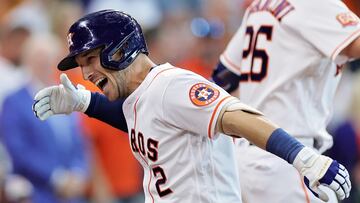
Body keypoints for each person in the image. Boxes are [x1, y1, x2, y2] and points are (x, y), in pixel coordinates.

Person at [32, 10, 350, 203]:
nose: (86, 73)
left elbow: (235, 116)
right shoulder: (141, 96)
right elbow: (145, 123)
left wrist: (302, 157)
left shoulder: (172, 84)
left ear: (121, 49)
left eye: (90, 59)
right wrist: (86, 102)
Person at [210, 0, 360, 202]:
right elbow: (355, 46)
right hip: (292, 158)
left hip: (245, 158)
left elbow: (223, 77)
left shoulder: (258, 7)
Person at [0, 34, 90, 203]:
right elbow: (18, 150)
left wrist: (79, 173)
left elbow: (80, 142)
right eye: (38, 57)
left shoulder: (68, 95)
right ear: (27, 60)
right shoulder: (14, 101)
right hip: (36, 193)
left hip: (72, 195)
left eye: (49, 57)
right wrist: (57, 178)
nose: (44, 62)